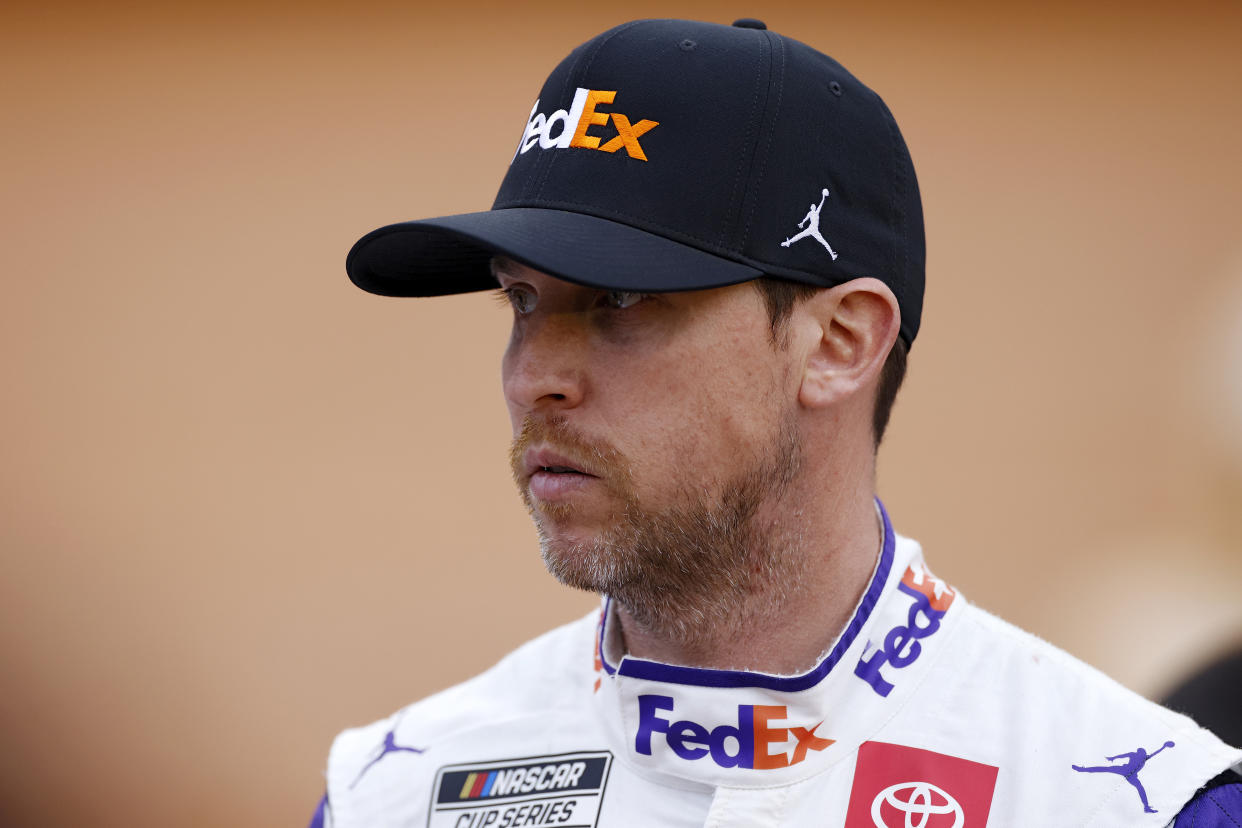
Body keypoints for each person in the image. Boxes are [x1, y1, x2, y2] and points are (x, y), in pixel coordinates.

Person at [313, 18, 1241, 827]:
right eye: (520, 301)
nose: (536, 376)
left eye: (621, 300)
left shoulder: (1128, 801)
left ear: (839, 341)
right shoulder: (396, 793)